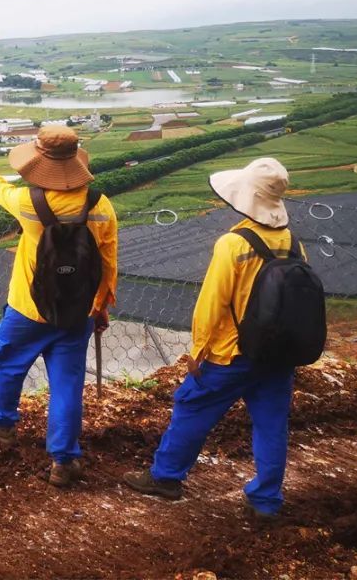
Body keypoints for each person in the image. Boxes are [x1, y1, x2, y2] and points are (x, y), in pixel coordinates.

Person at [124, 157, 299, 520]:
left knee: (192, 407)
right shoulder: (291, 242)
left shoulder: (233, 244)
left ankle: (165, 478)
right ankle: (266, 500)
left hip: (230, 353)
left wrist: (198, 350)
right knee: (271, 424)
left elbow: (211, 304)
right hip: (277, 354)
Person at [0, 125, 118, 487]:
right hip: (77, 312)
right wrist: (100, 306)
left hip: (27, 309)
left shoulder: (28, 202)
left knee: (7, 363)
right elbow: (108, 261)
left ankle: (1, 423)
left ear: (39, 162)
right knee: (67, 383)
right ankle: (64, 460)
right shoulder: (100, 205)